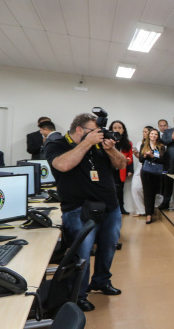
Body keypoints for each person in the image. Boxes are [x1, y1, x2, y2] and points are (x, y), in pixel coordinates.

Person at [46, 113, 128, 312]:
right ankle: (78, 294)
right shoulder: (57, 144)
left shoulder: (99, 145)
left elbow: (121, 164)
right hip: (78, 209)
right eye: (93, 132)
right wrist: (86, 143)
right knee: (82, 254)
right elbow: (63, 165)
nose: (97, 136)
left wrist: (110, 149)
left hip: (110, 207)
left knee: (108, 248)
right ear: (79, 130)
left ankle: (101, 281)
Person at [139, 128, 169, 225]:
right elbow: (140, 159)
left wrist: (152, 156)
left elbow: (162, 160)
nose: (153, 135)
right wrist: (145, 155)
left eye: (155, 134)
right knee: (147, 194)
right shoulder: (144, 145)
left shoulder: (160, 146)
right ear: (149, 135)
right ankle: (148, 215)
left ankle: (154, 211)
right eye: (152, 134)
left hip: (156, 173)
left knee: (156, 193)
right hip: (146, 173)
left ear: (158, 136)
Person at [109, 120, 134, 215]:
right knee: (110, 190)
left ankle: (121, 207)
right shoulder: (107, 141)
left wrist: (129, 167)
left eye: (119, 128)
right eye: (115, 128)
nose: (117, 130)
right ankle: (111, 208)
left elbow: (130, 158)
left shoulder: (128, 143)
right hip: (109, 169)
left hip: (121, 170)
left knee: (120, 190)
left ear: (123, 130)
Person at [129, 126, 152, 216]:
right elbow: (140, 158)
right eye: (143, 132)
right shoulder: (140, 143)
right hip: (140, 168)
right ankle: (140, 210)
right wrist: (136, 154)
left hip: (149, 168)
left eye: (146, 132)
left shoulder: (153, 143)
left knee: (146, 190)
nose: (144, 133)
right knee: (135, 188)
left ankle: (148, 210)